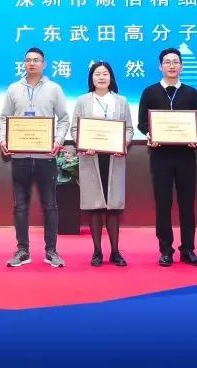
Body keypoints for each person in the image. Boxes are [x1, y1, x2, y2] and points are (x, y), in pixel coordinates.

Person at [0, 47, 70, 268]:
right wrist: (3, 139)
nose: (32, 63)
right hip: (20, 156)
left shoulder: (54, 89)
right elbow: (5, 118)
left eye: (36, 60)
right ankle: (22, 251)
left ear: (44, 64)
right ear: (24, 63)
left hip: (45, 157)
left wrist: (57, 141)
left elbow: (64, 119)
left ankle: (51, 251)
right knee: (20, 206)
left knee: (50, 206)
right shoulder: (13, 89)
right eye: (28, 60)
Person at [136, 47, 197, 267]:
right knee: (163, 204)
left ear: (181, 66)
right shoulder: (150, 92)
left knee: (187, 204)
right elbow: (142, 122)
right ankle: (166, 249)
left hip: (186, 155)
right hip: (160, 155)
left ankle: (188, 249)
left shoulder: (192, 93)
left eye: (176, 62)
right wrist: (151, 134)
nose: (172, 65)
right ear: (160, 66)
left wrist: (196, 135)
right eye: (167, 62)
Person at [71, 61, 133, 267]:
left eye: (105, 74)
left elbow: (129, 129)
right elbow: (75, 129)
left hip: (115, 158)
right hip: (91, 158)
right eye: (97, 74)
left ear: (111, 77)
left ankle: (115, 252)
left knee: (113, 207)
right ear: (91, 78)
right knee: (95, 206)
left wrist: (122, 144)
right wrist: (83, 143)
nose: (101, 77)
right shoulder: (82, 101)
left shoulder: (121, 101)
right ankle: (97, 252)